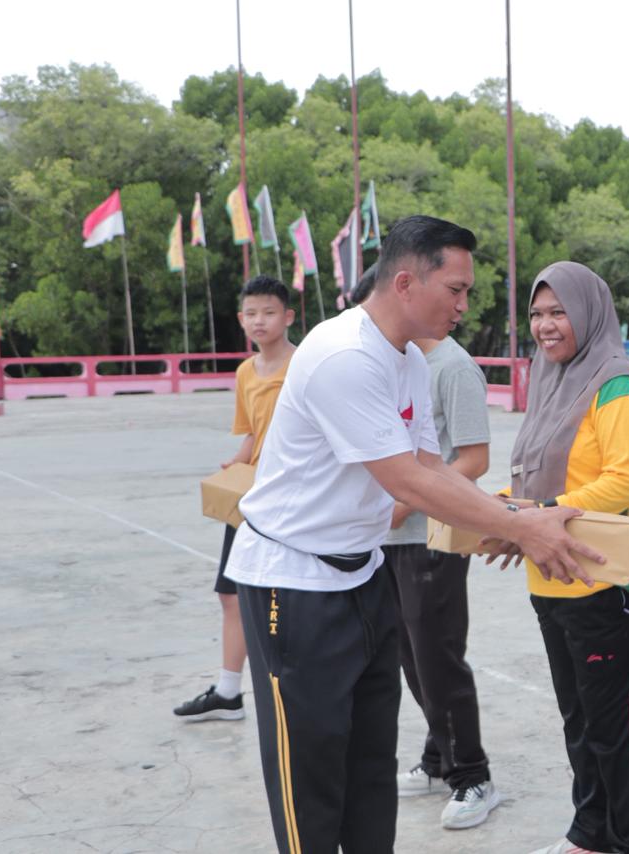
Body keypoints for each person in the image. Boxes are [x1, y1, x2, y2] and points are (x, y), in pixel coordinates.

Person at [224, 216, 604, 854]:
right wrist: (521, 527)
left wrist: (515, 521)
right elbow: (406, 479)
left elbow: (434, 467)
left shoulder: (408, 360)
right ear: (405, 282)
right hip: (293, 586)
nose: (464, 305)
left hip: (364, 572)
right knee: (311, 773)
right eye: (455, 290)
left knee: (370, 763)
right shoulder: (344, 355)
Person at [508, 262, 629, 854]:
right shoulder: (548, 380)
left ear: (589, 313)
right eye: (537, 314)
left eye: (559, 312)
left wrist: (540, 514)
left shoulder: (618, 384)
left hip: (608, 584)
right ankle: (591, 833)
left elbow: (625, 481)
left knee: (620, 730)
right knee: (580, 722)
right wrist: (501, 514)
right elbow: (530, 482)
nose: (545, 325)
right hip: (551, 580)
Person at [384, 333, 499, 829]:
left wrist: (409, 499)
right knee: (410, 656)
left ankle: (472, 775)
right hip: (386, 535)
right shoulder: (390, 363)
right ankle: (437, 758)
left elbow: (474, 459)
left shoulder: (453, 367)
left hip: (432, 534)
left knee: (437, 657)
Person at [174, 275, 296, 722]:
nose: (259, 321)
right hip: (252, 496)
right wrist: (237, 463)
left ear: (288, 317)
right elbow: (251, 436)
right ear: (241, 319)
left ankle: (288, 688)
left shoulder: (303, 366)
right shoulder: (246, 371)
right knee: (230, 593)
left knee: (280, 599)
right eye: (250, 313)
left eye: (269, 312)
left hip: (288, 497)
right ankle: (228, 691)